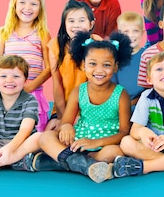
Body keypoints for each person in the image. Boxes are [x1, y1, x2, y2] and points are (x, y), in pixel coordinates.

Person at [28, 31, 133, 183]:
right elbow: (66, 121)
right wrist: (66, 127)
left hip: (104, 145)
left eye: (107, 65)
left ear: (115, 67)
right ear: (83, 65)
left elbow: (124, 132)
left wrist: (96, 143)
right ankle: (85, 166)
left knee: (114, 152)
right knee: (46, 137)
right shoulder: (79, 90)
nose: (99, 70)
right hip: (77, 142)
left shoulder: (121, 94)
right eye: (92, 64)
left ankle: (63, 162)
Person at [0, 0, 52, 132]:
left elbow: (49, 68)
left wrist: (30, 87)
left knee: (33, 132)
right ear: (14, 5)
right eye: (22, 2)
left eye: (33, 3)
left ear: (40, 8)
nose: (27, 7)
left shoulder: (42, 33)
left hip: (32, 93)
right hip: (8, 92)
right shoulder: (3, 33)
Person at [46, 0, 99, 131]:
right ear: (64, 24)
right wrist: (64, 119)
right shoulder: (55, 46)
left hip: (90, 110)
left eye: (82, 20)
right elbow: (57, 84)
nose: (76, 25)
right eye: (71, 21)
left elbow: (99, 85)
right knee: (48, 134)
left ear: (91, 24)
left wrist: (82, 116)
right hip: (62, 108)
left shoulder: (97, 43)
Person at [112, 11, 147, 111]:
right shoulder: (115, 56)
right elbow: (112, 87)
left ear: (142, 32)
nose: (131, 35)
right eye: (126, 32)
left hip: (142, 105)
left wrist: (135, 102)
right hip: (118, 106)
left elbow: (151, 87)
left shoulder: (147, 56)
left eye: (135, 31)